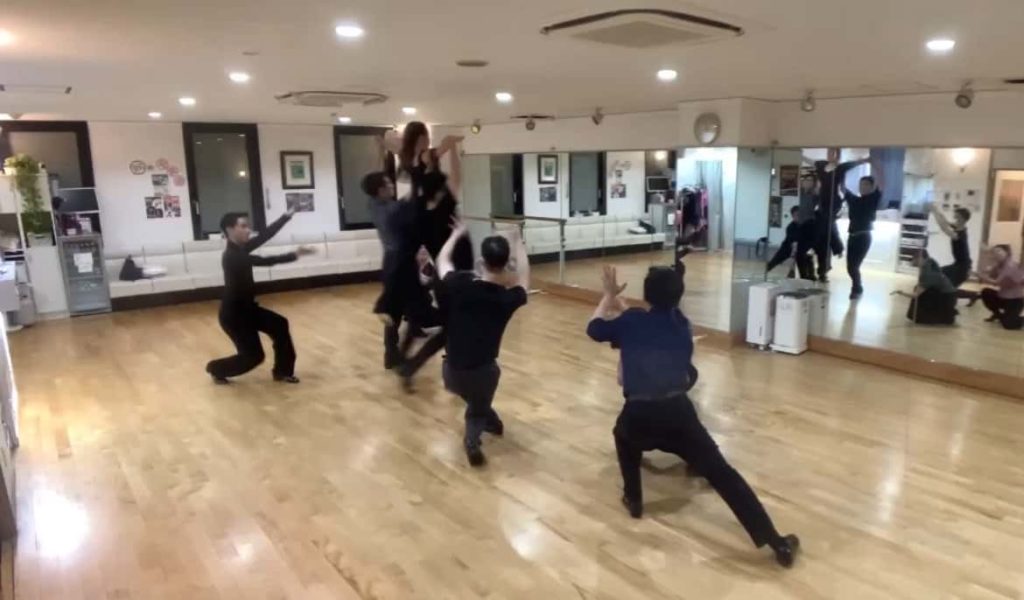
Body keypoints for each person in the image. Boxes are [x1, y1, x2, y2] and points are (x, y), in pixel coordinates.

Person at [586, 264, 800, 567]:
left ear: (646, 295)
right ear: (679, 296)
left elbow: (594, 328)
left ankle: (634, 498)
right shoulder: (683, 325)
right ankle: (776, 543)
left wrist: (608, 297)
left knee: (623, 435)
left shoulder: (633, 321)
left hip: (639, 414)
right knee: (724, 475)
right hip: (678, 416)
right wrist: (621, 306)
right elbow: (647, 325)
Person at [437, 221, 529, 466]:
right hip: (483, 373)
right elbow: (524, 278)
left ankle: (492, 421)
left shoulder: (459, 284)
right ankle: (472, 439)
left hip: (450, 372)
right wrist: (518, 241)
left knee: (477, 399)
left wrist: (456, 234)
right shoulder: (507, 299)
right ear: (507, 264)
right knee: (478, 405)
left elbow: (442, 261)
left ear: (482, 261)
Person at [206, 209, 314, 384]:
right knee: (253, 357)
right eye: (243, 226)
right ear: (230, 230)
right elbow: (265, 261)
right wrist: (295, 254)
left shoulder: (241, 248)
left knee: (280, 324)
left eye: (248, 226)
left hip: (247, 310)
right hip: (234, 316)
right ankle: (215, 368)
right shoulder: (233, 256)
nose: (248, 230)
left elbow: (265, 235)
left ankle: (282, 372)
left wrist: (287, 215)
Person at [809, 151, 870, 282]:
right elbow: (810, 161)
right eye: (831, 152)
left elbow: (855, 163)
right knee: (825, 232)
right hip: (822, 203)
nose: (833, 156)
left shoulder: (841, 168)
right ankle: (833, 250)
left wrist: (866, 160)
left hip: (834, 203)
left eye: (836, 153)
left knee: (826, 227)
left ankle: (831, 249)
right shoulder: (821, 165)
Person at [841, 172, 883, 299]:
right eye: (861, 185)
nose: (862, 187)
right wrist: (840, 171)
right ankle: (858, 286)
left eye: (865, 185)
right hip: (852, 237)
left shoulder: (873, 198)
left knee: (854, 266)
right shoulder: (854, 200)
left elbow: (881, 183)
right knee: (850, 267)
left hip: (864, 238)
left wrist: (875, 164)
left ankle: (856, 289)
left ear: (871, 187)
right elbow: (843, 188)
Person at [894, 249, 958, 325]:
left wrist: (901, 292)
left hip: (946, 298)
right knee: (918, 288)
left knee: (919, 296)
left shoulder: (927, 274)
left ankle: (946, 315)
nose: (912, 261)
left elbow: (915, 295)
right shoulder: (930, 262)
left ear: (920, 258)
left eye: (914, 258)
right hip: (950, 294)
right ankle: (946, 313)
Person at [930, 204, 977, 303]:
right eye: (955, 216)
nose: (954, 218)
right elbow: (945, 222)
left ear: (962, 219)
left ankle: (971, 296)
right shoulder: (960, 227)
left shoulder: (959, 234)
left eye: (956, 217)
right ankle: (973, 295)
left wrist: (934, 211)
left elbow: (944, 228)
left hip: (962, 268)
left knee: (949, 289)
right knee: (941, 278)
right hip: (958, 265)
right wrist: (937, 210)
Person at [976, 244, 1024, 330]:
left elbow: (998, 282)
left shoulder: (1011, 265)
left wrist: (983, 277)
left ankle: (1008, 318)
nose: (996, 254)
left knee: (1009, 325)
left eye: (999, 251)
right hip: (1002, 298)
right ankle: (998, 315)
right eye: (994, 252)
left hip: (1015, 301)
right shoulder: (999, 265)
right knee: (986, 292)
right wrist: (988, 258)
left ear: (1007, 252)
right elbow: (988, 273)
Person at [766, 206, 815, 280]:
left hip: (801, 250)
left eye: (799, 215)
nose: (798, 217)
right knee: (775, 260)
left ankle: (808, 278)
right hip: (787, 248)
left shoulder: (806, 225)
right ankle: (766, 269)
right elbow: (793, 241)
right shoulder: (790, 227)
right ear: (793, 216)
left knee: (805, 264)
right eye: (796, 215)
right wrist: (794, 251)